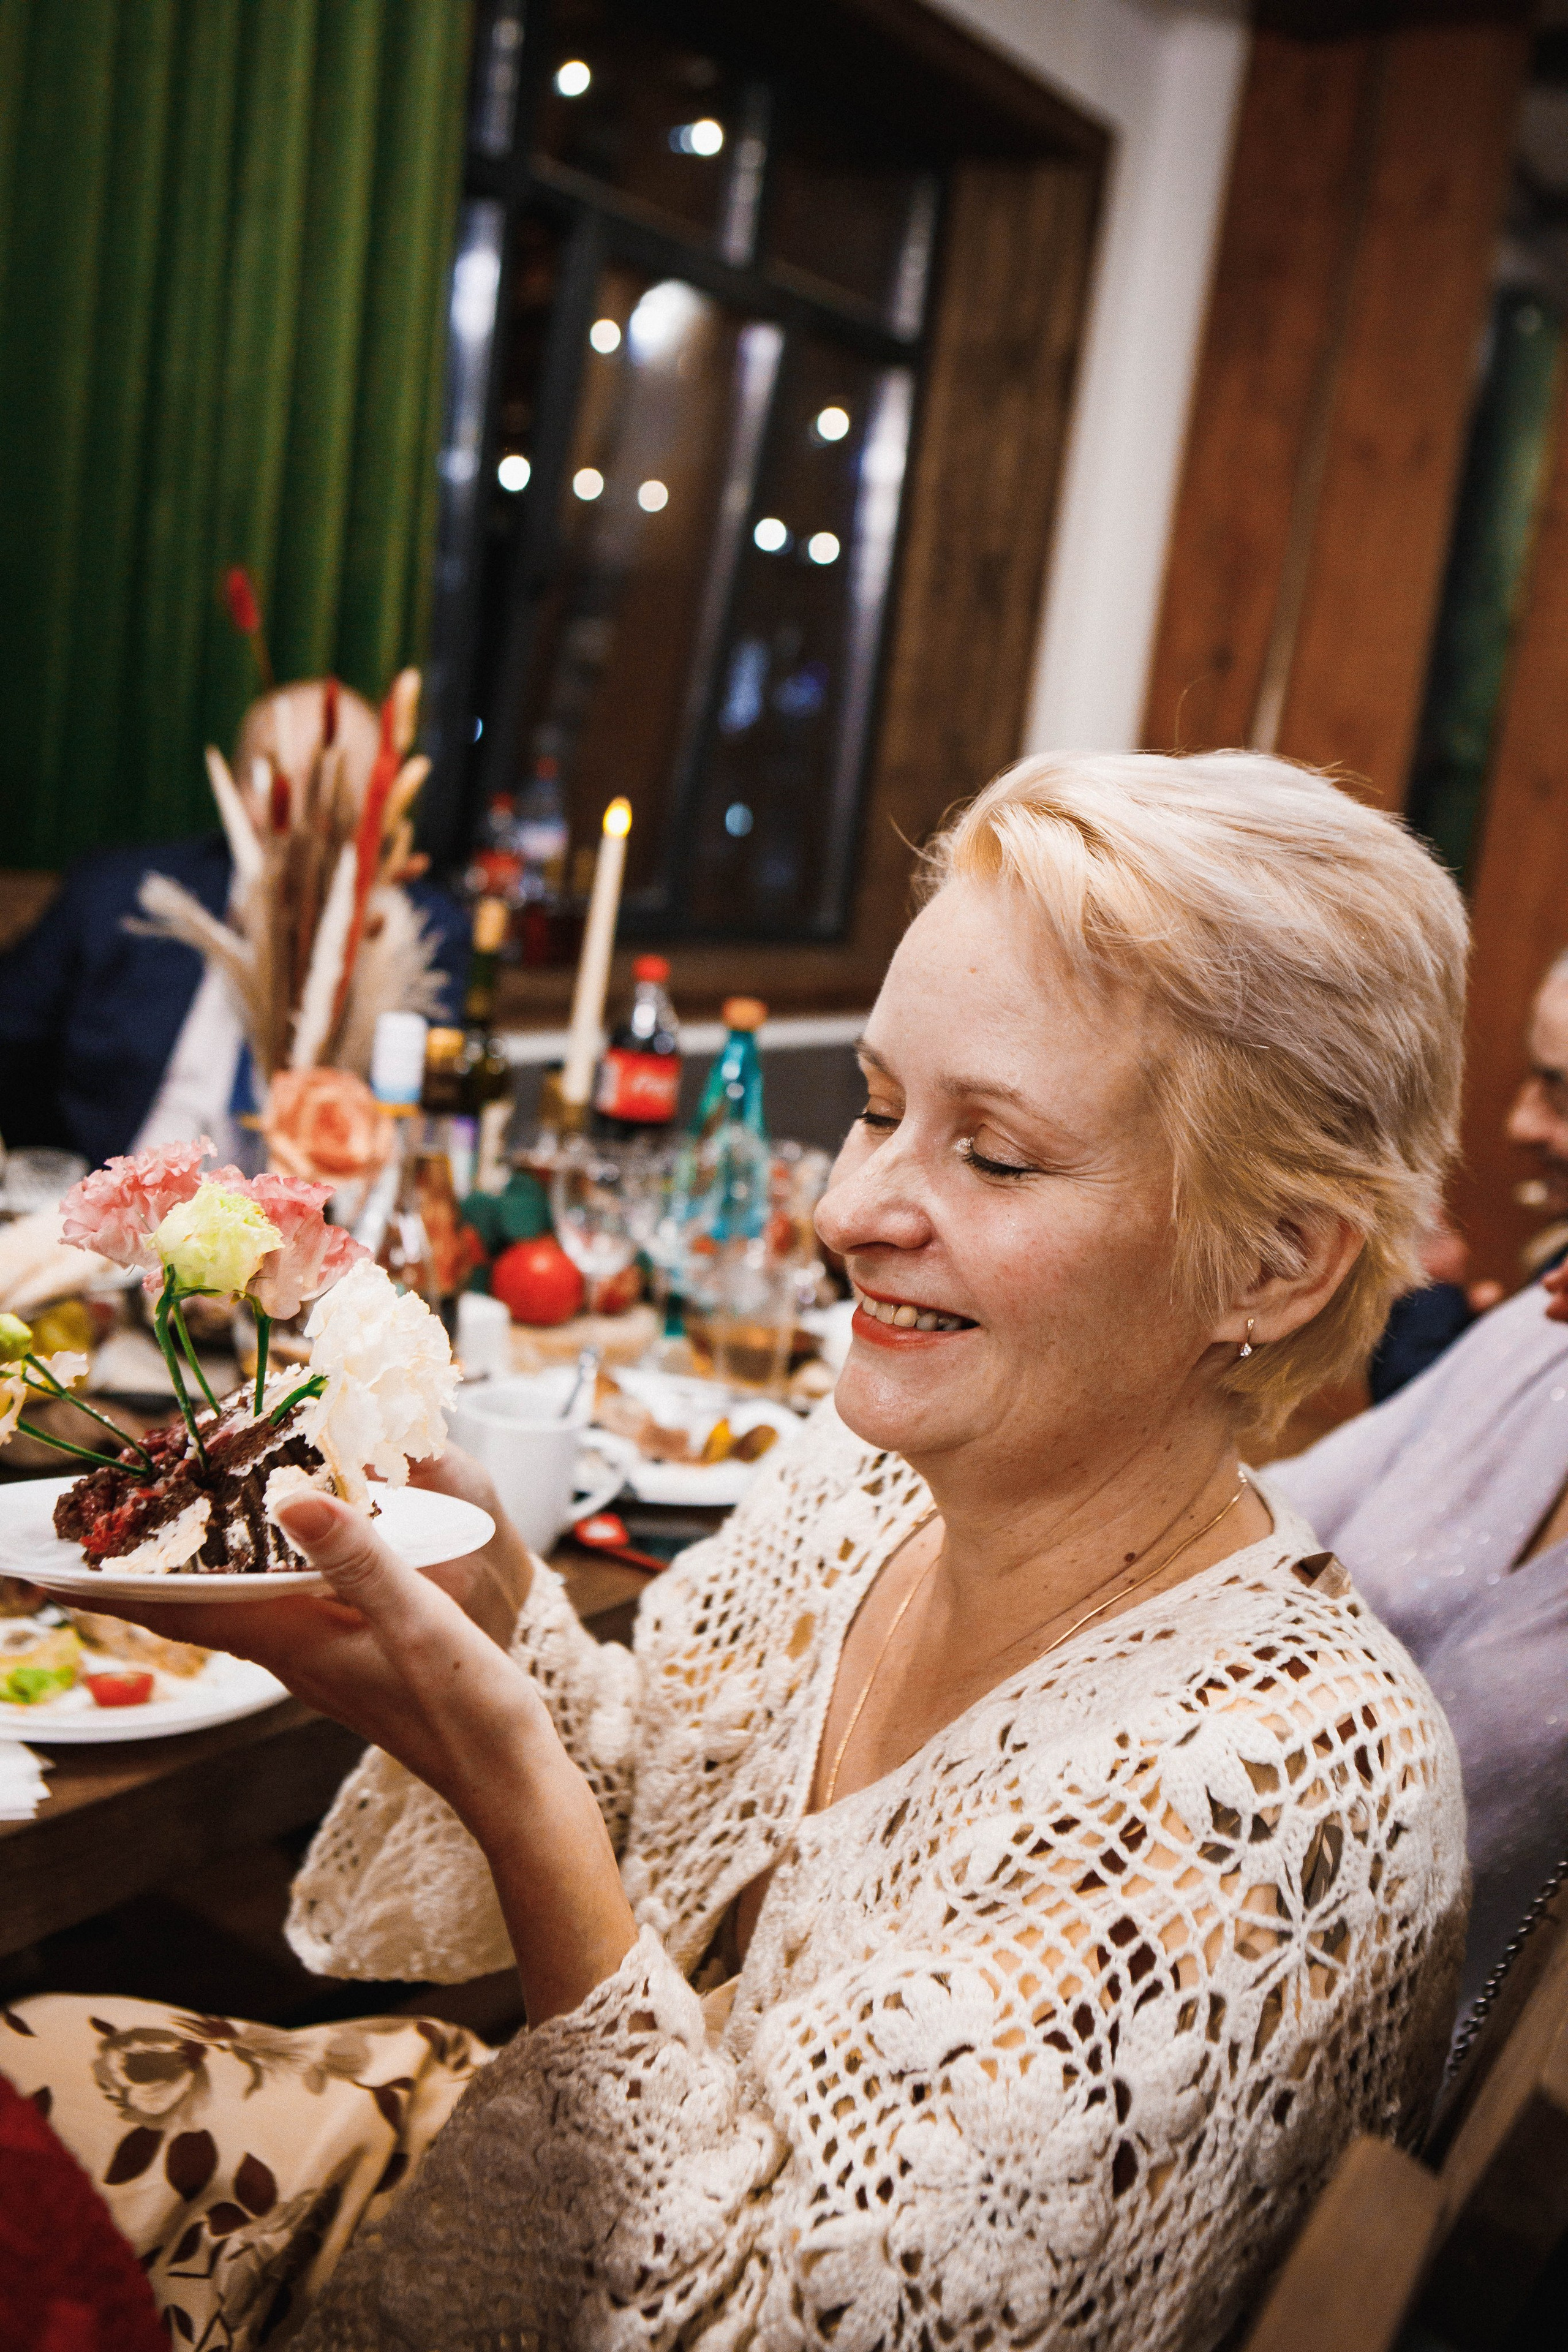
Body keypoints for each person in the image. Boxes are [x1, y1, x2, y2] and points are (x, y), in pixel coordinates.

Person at [4, 752, 1469, 2352]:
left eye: (992, 1156)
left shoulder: (1268, 1788)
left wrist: (513, 1786)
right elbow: (672, 1820)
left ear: (1274, 1261)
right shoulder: (867, 1486)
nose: (847, 1211)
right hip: (490, 2182)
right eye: (879, 1109)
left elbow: (749, 2320)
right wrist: (508, 1613)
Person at [0, 682, 466, 1168]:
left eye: (330, 789)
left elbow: (418, 1121)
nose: (300, 817)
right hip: (110, 1211)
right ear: (239, 785)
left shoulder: (417, 934)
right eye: (272, 781)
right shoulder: (117, 894)